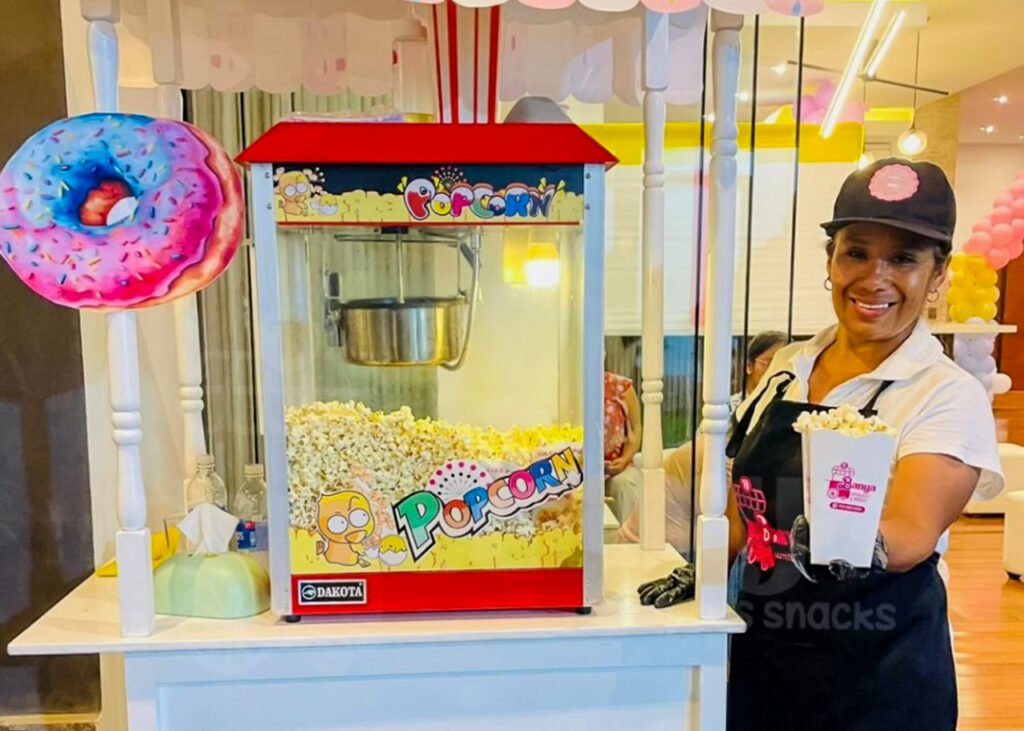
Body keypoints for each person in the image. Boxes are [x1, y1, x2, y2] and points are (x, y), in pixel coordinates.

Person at [639, 158, 1003, 730]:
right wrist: (702, 569)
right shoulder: (788, 367)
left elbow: (913, 529)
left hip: (879, 679)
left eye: (904, 259)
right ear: (831, 260)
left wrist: (855, 543)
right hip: (765, 666)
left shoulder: (944, 393)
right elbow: (744, 506)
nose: (874, 277)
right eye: (856, 252)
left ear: (939, 275)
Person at [614, 331, 787, 555]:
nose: (778, 374)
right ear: (749, 365)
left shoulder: (773, 416)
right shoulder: (723, 414)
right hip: (672, 546)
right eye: (769, 363)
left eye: (786, 367)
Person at [604, 370, 643, 522]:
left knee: (626, 485)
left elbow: (635, 428)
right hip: (577, 468)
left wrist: (625, 459)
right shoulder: (569, 388)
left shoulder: (621, 386)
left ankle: (630, 535)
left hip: (615, 466)